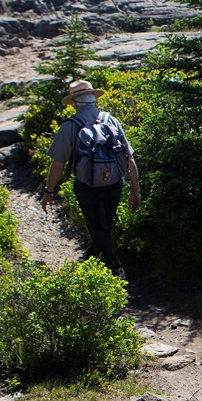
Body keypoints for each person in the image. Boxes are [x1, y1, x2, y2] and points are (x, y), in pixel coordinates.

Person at [41, 80, 141, 278]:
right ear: (94, 99)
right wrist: (135, 190)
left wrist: (48, 191)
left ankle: (115, 271)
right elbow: (129, 160)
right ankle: (90, 262)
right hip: (114, 184)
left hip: (86, 186)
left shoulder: (71, 126)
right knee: (105, 225)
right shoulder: (112, 121)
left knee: (96, 226)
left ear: (75, 102)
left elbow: (58, 164)